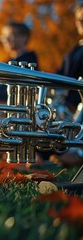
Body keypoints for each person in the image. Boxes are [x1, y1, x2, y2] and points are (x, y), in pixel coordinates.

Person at [48, 1, 83, 167]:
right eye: (78, 20)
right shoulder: (73, 50)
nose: (80, 23)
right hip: (70, 105)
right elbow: (60, 77)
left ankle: (78, 152)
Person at [0, 21, 39, 102]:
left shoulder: (30, 61)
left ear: (23, 37)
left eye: (10, 35)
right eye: (4, 36)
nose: (5, 39)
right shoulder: (7, 62)